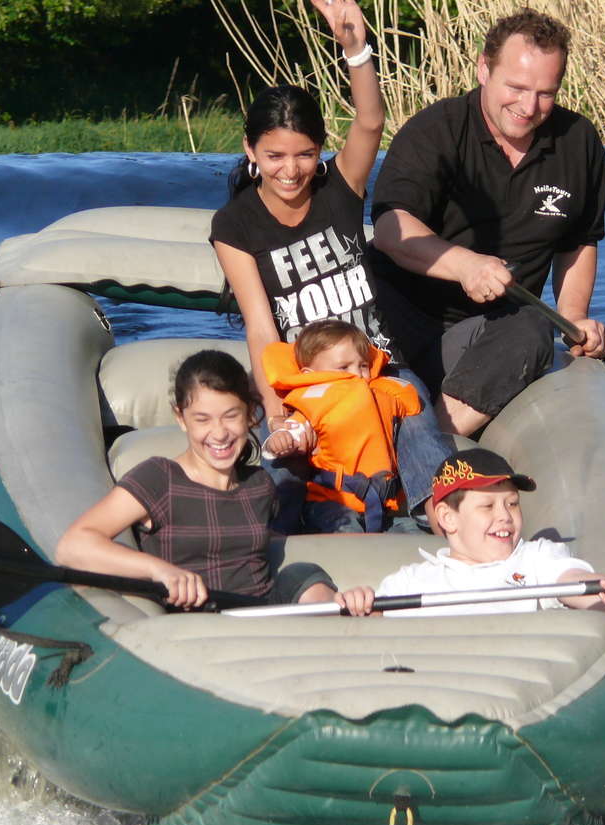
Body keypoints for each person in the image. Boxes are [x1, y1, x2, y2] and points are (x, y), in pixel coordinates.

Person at [208, 0, 454, 527]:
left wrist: (354, 48)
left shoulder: (339, 190)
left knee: (414, 420)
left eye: (302, 154)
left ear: (318, 150)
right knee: (286, 461)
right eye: (274, 156)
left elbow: (370, 120)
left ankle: (440, 522)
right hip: (307, 383)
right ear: (250, 151)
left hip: (377, 368)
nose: (290, 170)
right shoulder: (235, 225)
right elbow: (259, 326)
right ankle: (274, 543)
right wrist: (276, 410)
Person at [369, 8, 605, 438]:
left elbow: (579, 241)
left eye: (545, 93)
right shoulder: (437, 130)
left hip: (495, 332)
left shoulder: (579, 141)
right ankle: (411, 445)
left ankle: (428, 444)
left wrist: (573, 319)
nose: (528, 106)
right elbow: (391, 228)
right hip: (401, 318)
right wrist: (464, 265)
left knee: (535, 327)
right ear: (484, 69)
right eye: (515, 87)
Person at [56, 350, 371, 614]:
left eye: (231, 416)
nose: (219, 433)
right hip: (200, 629)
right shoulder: (158, 479)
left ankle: (342, 613)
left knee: (303, 575)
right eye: (202, 419)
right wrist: (158, 570)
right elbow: (74, 546)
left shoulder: (260, 485)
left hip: (265, 619)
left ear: (251, 415)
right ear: (180, 418)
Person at [351, 448, 605, 623]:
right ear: (447, 518)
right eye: (487, 506)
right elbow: (369, 625)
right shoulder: (409, 582)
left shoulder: (537, 558)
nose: (505, 515)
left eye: (512, 503)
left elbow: (569, 580)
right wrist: (358, 603)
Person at [260, 319, 421, 533]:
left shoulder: (383, 394)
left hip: (382, 502)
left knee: (412, 533)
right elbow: (292, 433)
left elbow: (411, 406)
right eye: (343, 367)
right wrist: (280, 442)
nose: (357, 374)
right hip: (331, 502)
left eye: (363, 365)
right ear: (311, 375)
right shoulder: (315, 400)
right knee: (347, 533)